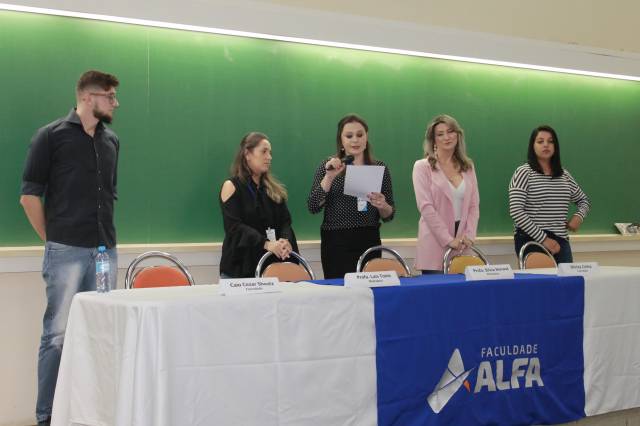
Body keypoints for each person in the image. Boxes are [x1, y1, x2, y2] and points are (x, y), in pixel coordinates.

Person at [20, 70, 120, 425]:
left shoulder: (112, 142)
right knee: (57, 335)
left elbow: (108, 195)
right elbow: (29, 196)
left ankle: (94, 413)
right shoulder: (51, 137)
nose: (115, 103)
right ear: (89, 97)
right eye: (110, 96)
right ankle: (46, 417)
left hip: (106, 252)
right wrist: (53, 240)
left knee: (103, 333)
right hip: (66, 251)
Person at [308, 114, 395, 279]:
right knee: (340, 294)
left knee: (369, 292)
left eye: (360, 135)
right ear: (341, 140)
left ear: (366, 137)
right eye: (349, 136)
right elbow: (313, 206)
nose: (355, 140)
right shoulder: (329, 166)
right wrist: (329, 177)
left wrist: (383, 205)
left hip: (369, 238)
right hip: (336, 241)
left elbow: (389, 215)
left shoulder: (379, 167)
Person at [219, 132, 298, 278]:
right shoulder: (231, 186)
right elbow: (234, 227)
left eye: (270, 153)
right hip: (241, 268)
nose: (269, 157)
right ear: (247, 154)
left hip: (273, 266)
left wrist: (285, 240)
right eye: (264, 152)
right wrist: (266, 244)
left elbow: (285, 221)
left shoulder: (273, 189)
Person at [509, 125, 590, 264]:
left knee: (566, 284)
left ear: (555, 146)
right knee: (539, 284)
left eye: (550, 141)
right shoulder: (524, 172)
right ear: (532, 146)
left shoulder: (564, 175)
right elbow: (516, 211)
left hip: (561, 241)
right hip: (531, 239)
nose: (546, 145)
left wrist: (578, 216)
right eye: (540, 141)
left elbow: (584, 201)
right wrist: (544, 239)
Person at [412, 114, 480, 273]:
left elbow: (474, 205)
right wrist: (448, 240)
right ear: (433, 140)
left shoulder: (468, 166)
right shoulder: (422, 167)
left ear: (458, 134)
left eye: (450, 132)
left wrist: (469, 236)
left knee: (462, 297)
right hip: (435, 244)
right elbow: (425, 207)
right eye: (440, 134)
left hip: (462, 245)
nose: (446, 137)